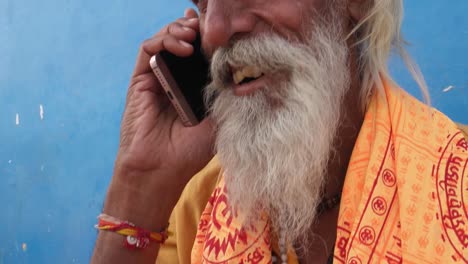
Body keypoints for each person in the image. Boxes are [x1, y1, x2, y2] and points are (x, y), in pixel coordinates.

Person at [91, 0, 468, 263]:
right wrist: (138, 185)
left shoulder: (458, 181)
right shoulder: (196, 205)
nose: (216, 29)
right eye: (204, 0)